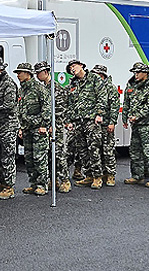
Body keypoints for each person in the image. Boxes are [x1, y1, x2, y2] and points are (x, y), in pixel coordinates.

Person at [65, 59, 107, 189]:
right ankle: (88, 175)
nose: (72, 69)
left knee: (93, 149)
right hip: (78, 121)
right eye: (70, 68)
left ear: (81, 65)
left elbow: (102, 96)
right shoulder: (73, 84)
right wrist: (69, 120)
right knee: (82, 151)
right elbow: (69, 103)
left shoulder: (93, 78)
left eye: (74, 66)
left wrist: (99, 113)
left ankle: (97, 177)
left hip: (91, 120)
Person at [122, 62, 149, 188]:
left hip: (148, 124)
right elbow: (127, 101)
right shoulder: (131, 84)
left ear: (145, 73)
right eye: (134, 72)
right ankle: (137, 176)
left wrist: (137, 115)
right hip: (136, 125)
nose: (136, 74)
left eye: (138, 72)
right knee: (135, 151)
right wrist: (124, 117)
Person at [35, 61, 70, 192]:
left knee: (59, 154)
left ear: (46, 72)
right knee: (49, 155)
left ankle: (65, 180)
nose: (37, 75)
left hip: (56, 126)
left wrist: (53, 125)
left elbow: (60, 109)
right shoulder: (43, 87)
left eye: (39, 73)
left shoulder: (55, 88)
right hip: (46, 126)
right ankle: (53, 180)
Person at [0, 57, 20, 199]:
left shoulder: (9, 84)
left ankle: (9, 187)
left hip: (8, 126)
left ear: (0, 70)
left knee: (7, 157)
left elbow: (9, 105)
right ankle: (2, 182)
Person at [16, 62, 51, 196]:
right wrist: (20, 127)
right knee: (29, 158)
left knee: (39, 158)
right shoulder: (22, 90)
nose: (18, 75)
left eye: (20, 73)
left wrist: (43, 125)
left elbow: (47, 109)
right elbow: (20, 109)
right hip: (27, 129)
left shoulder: (39, 88)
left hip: (38, 129)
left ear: (27, 74)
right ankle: (34, 184)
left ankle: (42, 185)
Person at [91, 64, 120, 187]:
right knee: (96, 150)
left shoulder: (110, 88)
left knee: (108, 150)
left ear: (101, 75)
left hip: (106, 123)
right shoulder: (94, 87)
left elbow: (114, 107)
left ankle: (110, 175)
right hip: (95, 125)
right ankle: (100, 174)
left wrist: (112, 122)